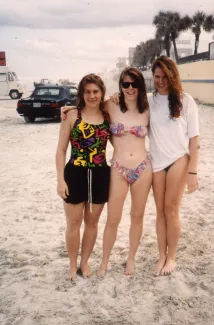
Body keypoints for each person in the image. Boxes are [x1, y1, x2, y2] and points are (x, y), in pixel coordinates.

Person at [110, 56, 199, 276]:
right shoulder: (148, 100)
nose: (160, 81)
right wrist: (114, 96)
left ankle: (171, 258)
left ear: (173, 77)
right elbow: (126, 104)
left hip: (179, 158)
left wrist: (193, 171)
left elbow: (194, 139)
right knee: (160, 212)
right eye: (157, 77)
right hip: (157, 162)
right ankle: (161, 256)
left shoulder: (186, 101)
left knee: (171, 209)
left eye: (164, 77)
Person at [61, 67, 152, 276]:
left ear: (141, 86)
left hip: (136, 168)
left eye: (134, 84)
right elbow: (87, 105)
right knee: (110, 219)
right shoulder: (110, 106)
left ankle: (128, 259)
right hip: (110, 168)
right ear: (120, 86)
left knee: (134, 216)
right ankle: (99, 262)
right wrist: (67, 108)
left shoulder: (148, 108)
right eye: (125, 84)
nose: (130, 88)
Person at [56, 74, 111, 280]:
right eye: (87, 91)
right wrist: (60, 180)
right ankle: (72, 265)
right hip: (75, 174)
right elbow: (61, 150)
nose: (92, 95)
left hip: (100, 175)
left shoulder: (107, 116)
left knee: (92, 222)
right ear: (81, 93)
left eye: (96, 91)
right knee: (73, 223)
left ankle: (84, 263)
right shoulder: (72, 116)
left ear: (101, 93)